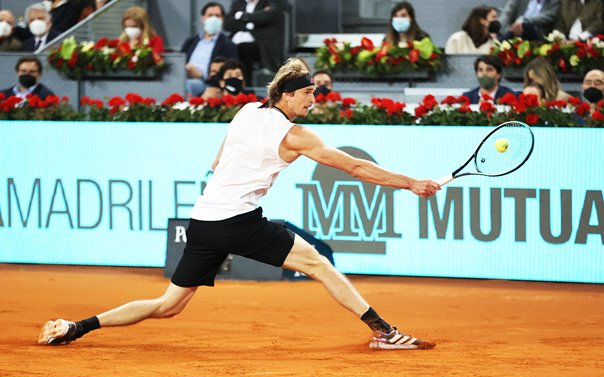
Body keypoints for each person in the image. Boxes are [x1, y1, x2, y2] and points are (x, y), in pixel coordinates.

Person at [37, 57, 440, 351]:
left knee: (167, 305)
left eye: (314, 94)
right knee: (318, 262)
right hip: (236, 220)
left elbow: (217, 162)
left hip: (203, 220)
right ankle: (384, 332)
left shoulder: (248, 110)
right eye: (306, 94)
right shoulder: (296, 135)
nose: (312, 101)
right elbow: (354, 167)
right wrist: (410, 184)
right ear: (285, 95)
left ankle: (76, 327)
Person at [181, 2, 238, 98]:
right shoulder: (190, 41)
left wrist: (201, 76)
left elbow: (231, 73)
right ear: (202, 18)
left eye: (217, 16)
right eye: (210, 15)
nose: (213, 19)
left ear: (223, 19)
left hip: (208, 84)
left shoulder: (228, 45)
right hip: (183, 78)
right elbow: (180, 60)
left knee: (189, 85)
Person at [223, 0, 285, 84]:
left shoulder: (270, 2)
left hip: (259, 44)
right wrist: (249, 22)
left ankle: (247, 85)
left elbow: (265, 17)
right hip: (234, 42)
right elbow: (227, 24)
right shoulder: (238, 3)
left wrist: (242, 16)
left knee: (245, 48)